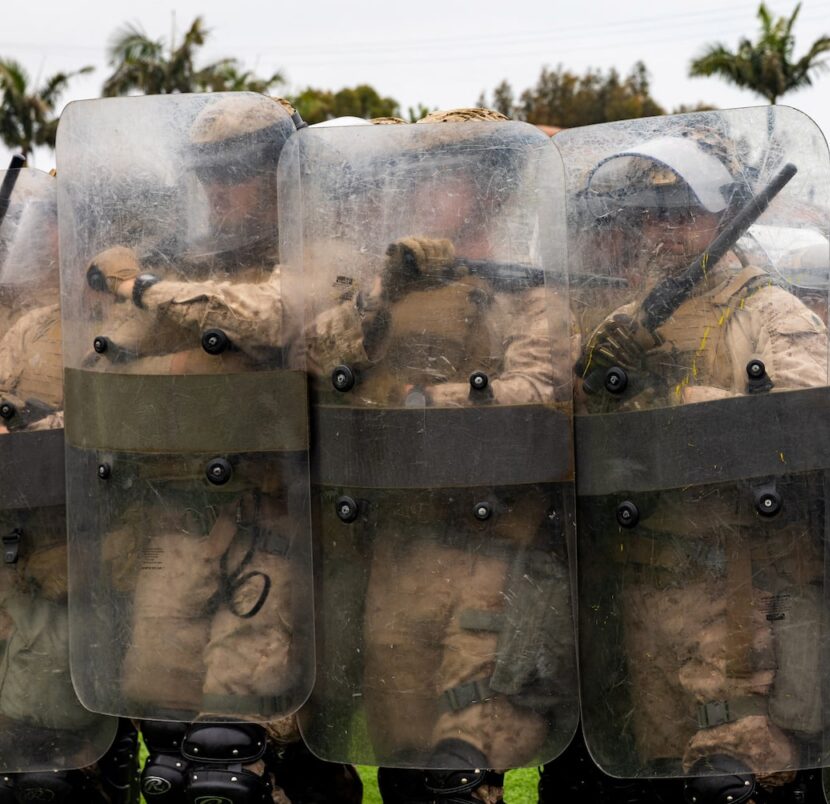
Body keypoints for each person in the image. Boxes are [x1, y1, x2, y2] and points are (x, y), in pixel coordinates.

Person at [559, 108, 830, 803]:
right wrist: (593, 382)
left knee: (739, 777)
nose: (664, 232)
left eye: (683, 214)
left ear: (724, 216)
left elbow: (808, 430)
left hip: (743, 596)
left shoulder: (773, 312)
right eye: (651, 217)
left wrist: (668, 397)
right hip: (647, 595)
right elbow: (572, 441)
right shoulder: (627, 322)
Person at [58, 92, 351, 804]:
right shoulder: (179, 273)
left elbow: (268, 315)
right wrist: (186, 365)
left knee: (239, 748)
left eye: (239, 172)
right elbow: (104, 371)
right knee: (166, 751)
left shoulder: (324, 256)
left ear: (286, 176)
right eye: (209, 175)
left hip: (280, 536)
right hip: (180, 530)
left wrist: (157, 297)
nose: (220, 191)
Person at [292, 108, 577, 804]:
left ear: (486, 188)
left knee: (459, 769)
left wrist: (429, 404)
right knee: (404, 763)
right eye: (414, 179)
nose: (420, 194)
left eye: (440, 179)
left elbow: (538, 388)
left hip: (493, 549)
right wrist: (383, 291)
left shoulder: (529, 294)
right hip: (398, 545)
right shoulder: (386, 290)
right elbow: (313, 357)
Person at [0, 161, 138, 804]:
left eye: (60, 222)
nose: (45, 239)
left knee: (75, 729)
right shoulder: (26, 325)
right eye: (40, 223)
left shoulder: (126, 318)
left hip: (98, 547)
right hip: (24, 544)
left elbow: (125, 415)